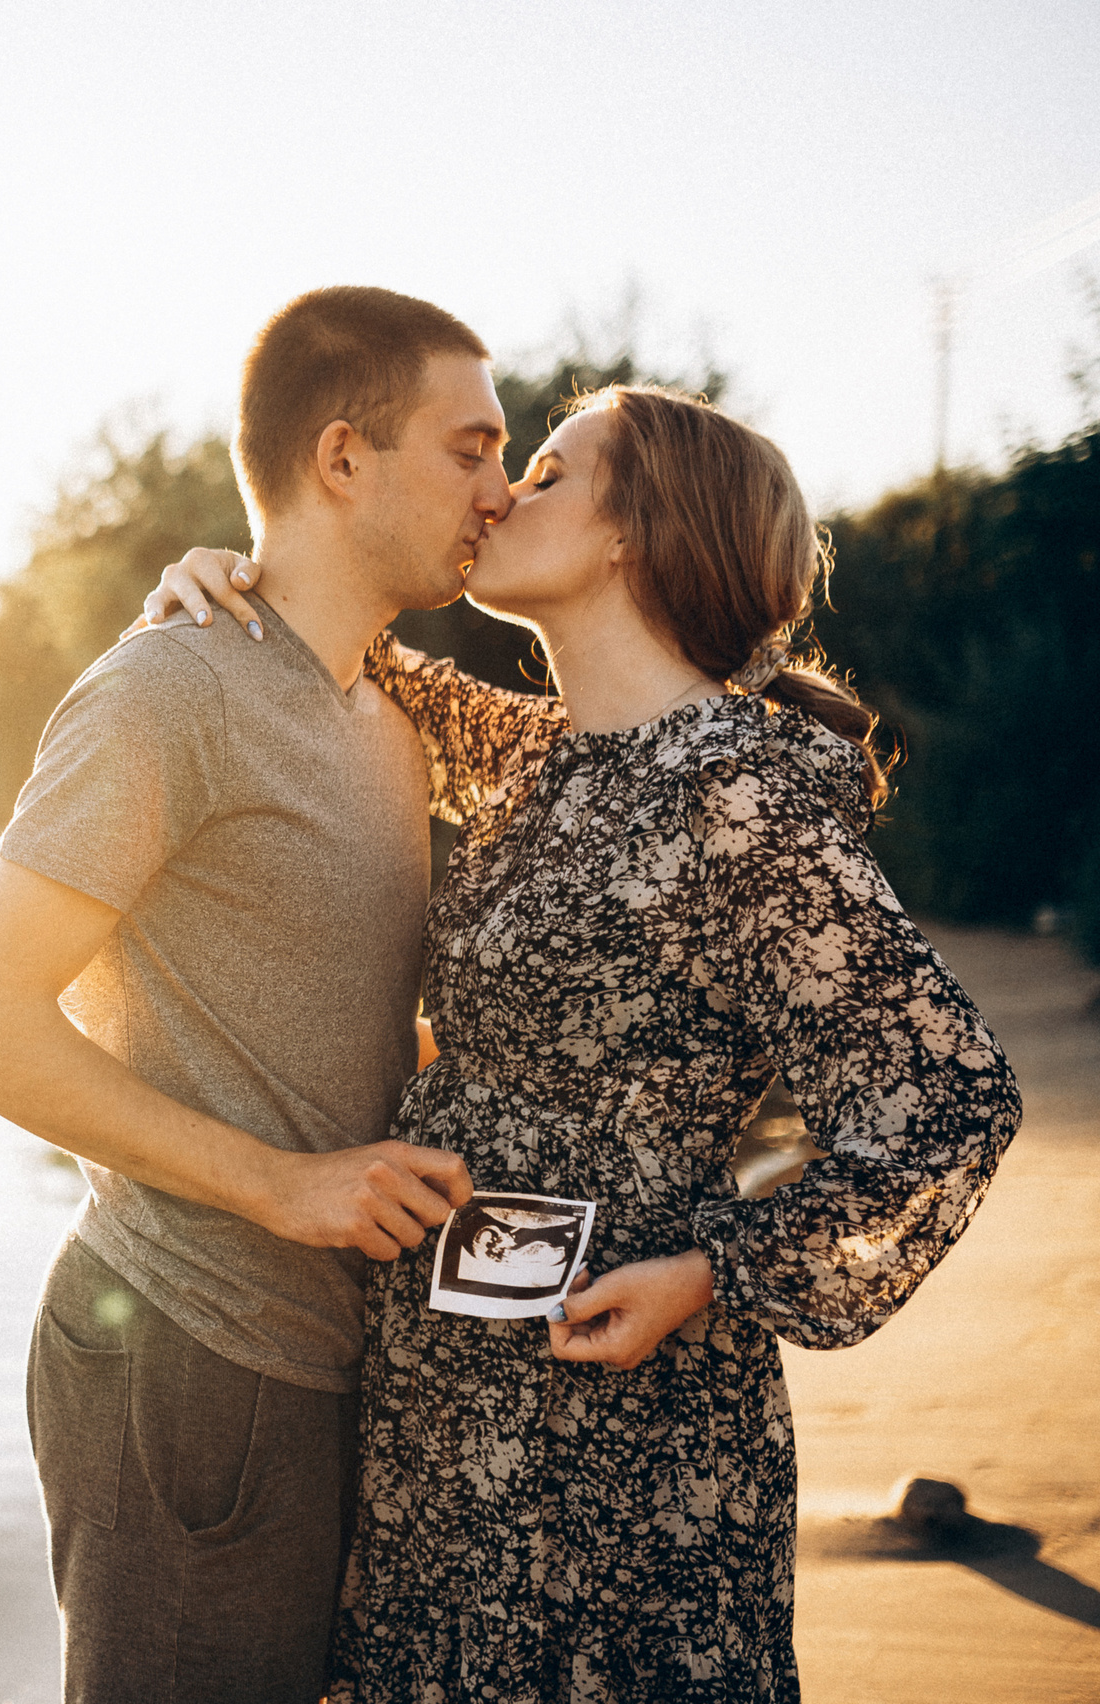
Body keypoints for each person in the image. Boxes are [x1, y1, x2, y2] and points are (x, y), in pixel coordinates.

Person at [141, 384, 1020, 1700]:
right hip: (447, 1386)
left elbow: (948, 1106)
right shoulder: (543, 755)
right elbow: (363, 654)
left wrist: (709, 1269)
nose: (499, 493)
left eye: (546, 473)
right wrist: (243, 577)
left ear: (633, 536)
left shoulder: (740, 791)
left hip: (623, 1405)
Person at [0, 284, 511, 1703]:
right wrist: (280, 1186)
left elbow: (329, 1013)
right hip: (186, 1353)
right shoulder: (165, 692)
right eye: (472, 448)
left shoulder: (392, 725)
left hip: (324, 1359)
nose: (499, 489)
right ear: (342, 459)